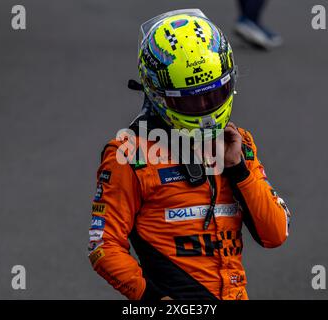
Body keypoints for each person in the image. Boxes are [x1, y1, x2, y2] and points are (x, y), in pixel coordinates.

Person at [88, 9, 291, 300]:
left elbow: (275, 233)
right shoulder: (130, 154)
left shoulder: (239, 143)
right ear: (158, 95)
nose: (207, 110)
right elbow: (103, 245)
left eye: (215, 94)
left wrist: (239, 169)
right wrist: (152, 299)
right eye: (193, 100)